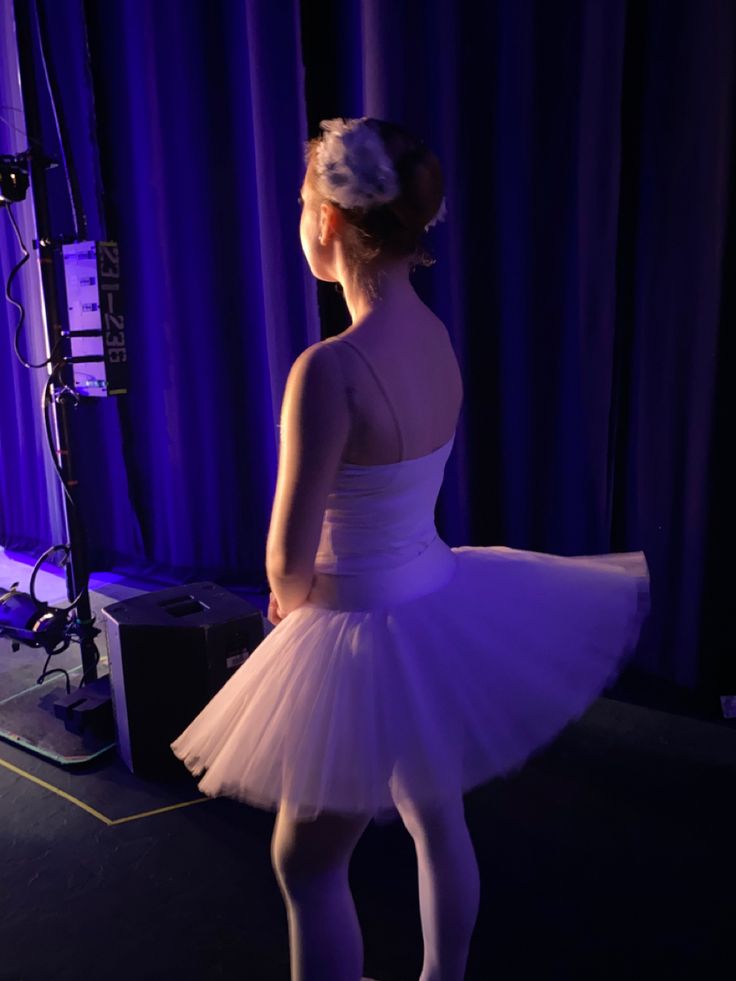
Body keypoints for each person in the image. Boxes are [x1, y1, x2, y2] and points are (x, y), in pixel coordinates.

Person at [170, 117, 651, 981]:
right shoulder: (434, 337)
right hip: (432, 600)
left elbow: (286, 564)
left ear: (331, 222)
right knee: (435, 814)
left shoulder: (330, 369)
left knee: (305, 862)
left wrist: (288, 604)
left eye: (305, 201)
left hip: (356, 623)